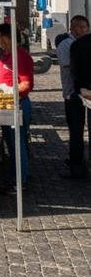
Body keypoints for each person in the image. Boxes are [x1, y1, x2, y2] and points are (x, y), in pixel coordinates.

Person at [0, 22, 35, 192]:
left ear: (5, 37)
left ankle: (21, 181)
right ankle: (17, 176)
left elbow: (26, 84)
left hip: (16, 105)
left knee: (17, 144)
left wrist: (9, 92)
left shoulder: (20, 56)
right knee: (12, 145)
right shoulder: (7, 55)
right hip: (6, 105)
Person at [58, 14, 90, 179]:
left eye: (83, 27)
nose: (80, 30)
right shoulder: (67, 44)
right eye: (77, 27)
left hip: (87, 93)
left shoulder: (85, 44)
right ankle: (76, 166)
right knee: (76, 131)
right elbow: (68, 65)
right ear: (71, 28)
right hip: (72, 92)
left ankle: (80, 165)